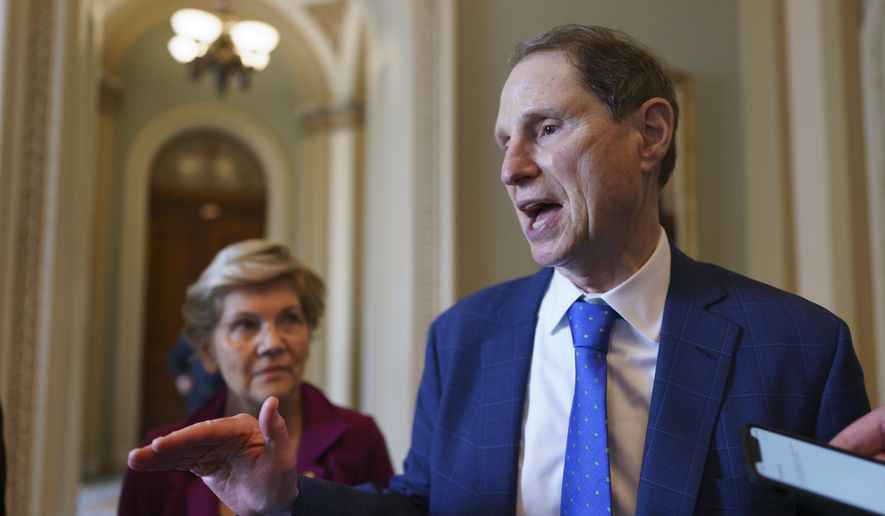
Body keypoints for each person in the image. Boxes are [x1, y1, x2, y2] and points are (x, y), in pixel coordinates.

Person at [128, 24, 871, 515]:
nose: (512, 169)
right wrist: (286, 495)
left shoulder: (798, 346)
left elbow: (844, 498)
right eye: (502, 142)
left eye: (546, 130)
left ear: (649, 134)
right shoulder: (466, 336)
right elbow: (421, 505)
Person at [119, 239, 394, 515]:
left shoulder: (360, 438)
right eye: (246, 325)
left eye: (290, 319)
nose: (272, 343)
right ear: (207, 351)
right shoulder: (159, 459)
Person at [169, 332, 225, 415]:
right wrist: (180, 377)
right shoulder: (189, 334)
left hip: (221, 389)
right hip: (198, 391)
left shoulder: (221, 331)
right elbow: (176, 359)